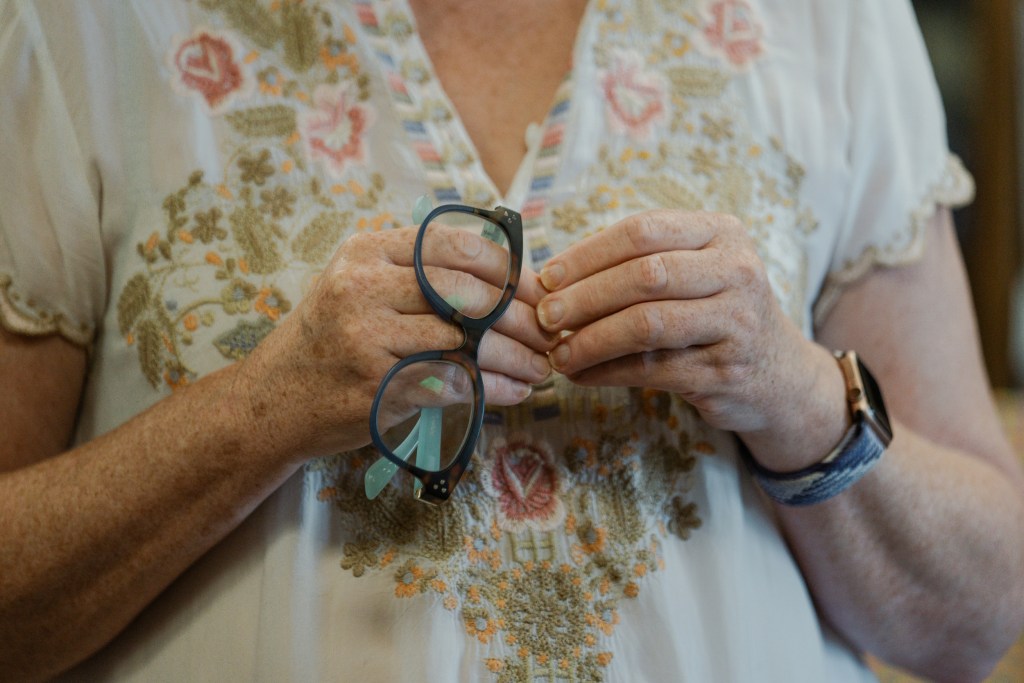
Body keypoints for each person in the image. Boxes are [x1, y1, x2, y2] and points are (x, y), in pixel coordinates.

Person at [1, 0, 1022, 681]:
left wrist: (793, 392)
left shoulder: (828, 21)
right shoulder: (81, 26)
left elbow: (984, 610)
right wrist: (265, 408)